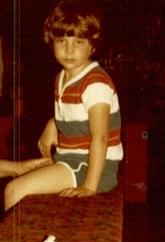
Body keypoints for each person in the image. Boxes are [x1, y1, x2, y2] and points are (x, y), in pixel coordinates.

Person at [2, 0, 123, 211]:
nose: (69, 50)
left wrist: (89, 186)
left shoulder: (95, 83)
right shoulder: (61, 78)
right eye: (61, 41)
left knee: (14, 190)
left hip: (92, 168)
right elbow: (74, 115)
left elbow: (100, 136)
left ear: (93, 45)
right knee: (27, 185)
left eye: (79, 42)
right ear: (51, 41)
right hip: (71, 160)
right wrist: (53, 124)